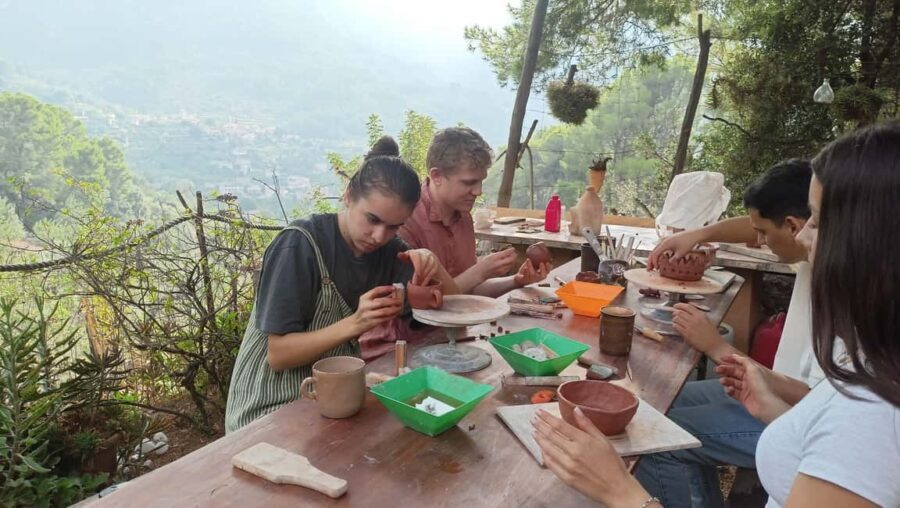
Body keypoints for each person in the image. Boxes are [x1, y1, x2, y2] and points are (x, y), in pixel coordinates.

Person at [533, 121, 900, 507]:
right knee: (660, 410)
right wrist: (774, 407)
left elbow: (848, 435)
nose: (803, 235)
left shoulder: (872, 416)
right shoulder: (875, 363)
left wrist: (622, 493)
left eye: (817, 221)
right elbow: (821, 425)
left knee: (655, 436)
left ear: (865, 240)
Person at [225, 137, 457, 433]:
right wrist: (356, 323)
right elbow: (278, 354)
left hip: (334, 400)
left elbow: (453, 304)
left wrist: (433, 263)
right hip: (267, 412)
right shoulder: (299, 246)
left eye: (393, 226)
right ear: (348, 196)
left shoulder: (388, 251)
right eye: (372, 219)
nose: (378, 236)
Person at [634, 160, 814, 507]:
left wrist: (717, 348)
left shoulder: (850, 288)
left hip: (797, 420)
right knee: (660, 403)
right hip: (777, 386)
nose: (758, 241)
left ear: (796, 226)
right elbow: (758, 224)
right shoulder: (813, 248)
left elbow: (816, 401)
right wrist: (697, 234)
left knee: (653, 437)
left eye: (764, 234)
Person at [399, 127, 549, 298]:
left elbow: (470, 291)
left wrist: (516, 280)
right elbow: (421, 302)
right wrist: (480, 271)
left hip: (465, 322)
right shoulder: (406, 220)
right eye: (468, 183)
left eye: (480, 181)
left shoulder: (463, 216)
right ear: (437, 176)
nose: (478, 191)